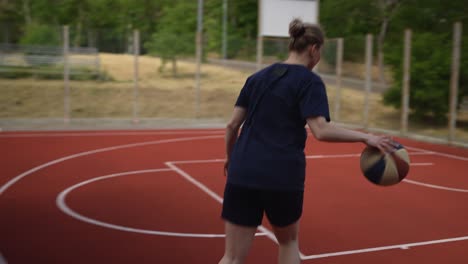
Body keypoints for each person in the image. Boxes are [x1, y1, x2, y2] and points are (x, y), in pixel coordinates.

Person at [219, 19, 397, 264]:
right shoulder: (309, 81)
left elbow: (231, 126)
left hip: (242, 172)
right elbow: (321, 130)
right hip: (281, 175)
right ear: (314, 49)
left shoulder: (256, 78)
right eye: (320, 51)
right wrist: (367, 137)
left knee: (231, 257)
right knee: (288, 242)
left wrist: (231, 158)